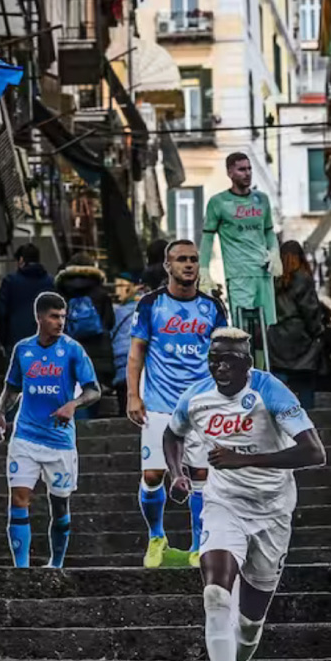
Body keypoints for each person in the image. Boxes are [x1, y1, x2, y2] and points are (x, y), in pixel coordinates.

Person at [161, 327, 326, 661]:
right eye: (214, 359)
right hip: (223, 504)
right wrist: (178, 473)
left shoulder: (271, 390)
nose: (220, 368)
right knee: (216, 594)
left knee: (249, 627)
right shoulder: (196, 396)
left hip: (272, 512)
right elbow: (172, 433)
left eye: (229, 361)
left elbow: (314, 453)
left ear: (247, 364)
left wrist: (245, 458)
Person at [127, 239, 229, 567]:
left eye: (193, 259)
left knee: (201, 473)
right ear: (168, 266)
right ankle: (157, 537)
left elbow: (224, 355)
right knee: (154, 474)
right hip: (159, 405)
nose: (188, 265)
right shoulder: (150, 305)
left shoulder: (214, 308)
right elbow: (136, 352)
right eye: (181, 259)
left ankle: (199, 546)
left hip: (201, 407)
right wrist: (133, 394)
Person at [0, 292, 102, 568]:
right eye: (54, 316)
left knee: (60, 505)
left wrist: (73, 405)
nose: (60, 322)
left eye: (63, 316)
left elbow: (94, 390)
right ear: (39, 317)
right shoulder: (22, 349)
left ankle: (56, 564)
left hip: (59, 440)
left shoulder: (73, 349)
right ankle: (21, 568)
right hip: (26, 435)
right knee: (18, 498)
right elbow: (13, 388)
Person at [200, 152, 278, 335]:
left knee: (266, 329)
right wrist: (204, 269)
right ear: (230, 173)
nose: (248, 173)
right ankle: (244, 363)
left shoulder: (262, 200)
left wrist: (274, 252)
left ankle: (263, 364)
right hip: (238, 274)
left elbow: (268, 231)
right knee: (242, 330)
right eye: (242, 169)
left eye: (249, 168)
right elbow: (208, 236)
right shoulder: (218, 203)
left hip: (263, 272)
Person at [269, 241, 329, 409]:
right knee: (305, 384)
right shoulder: (302, 278)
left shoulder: (273, 280)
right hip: (300, 339)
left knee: (280, 383)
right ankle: (306, 421)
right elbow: (310, 311)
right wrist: (318, 332)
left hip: (277, 337)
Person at [54, 260, 117, 395]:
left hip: (70, 350)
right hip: (98, 352)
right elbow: (110, 322)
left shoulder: (62, 293)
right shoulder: (101, 293)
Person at [0, 243, 57, 359]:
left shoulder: (10, 282)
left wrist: (5, 340)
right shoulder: (51, 282)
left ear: (21, 260)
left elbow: (0, 313)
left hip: (17, 341)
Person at [111, 272, 141, 398]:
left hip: (124, 364)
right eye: (116, 286)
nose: (118, 291)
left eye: (122, 286)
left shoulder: (116, 311)